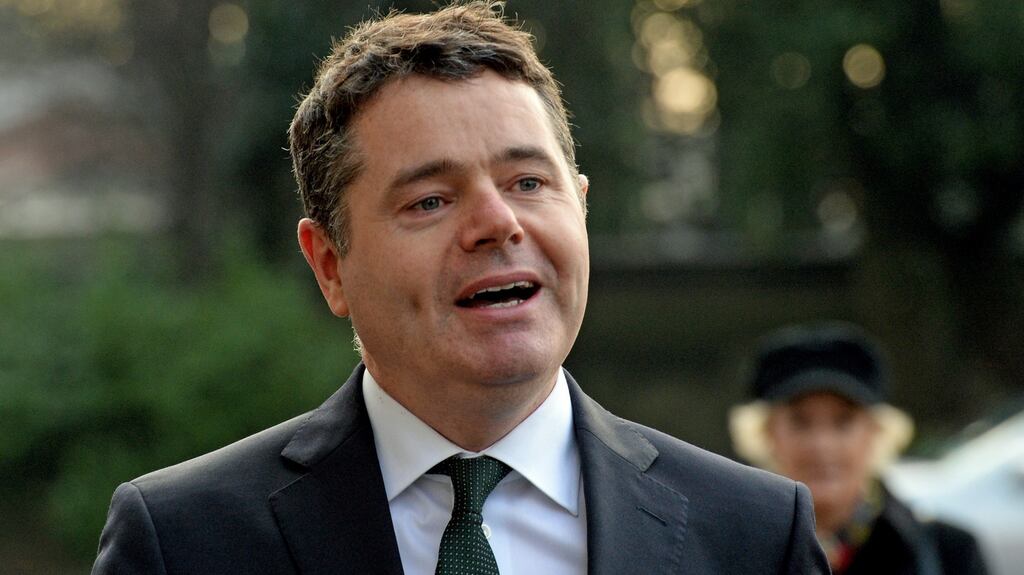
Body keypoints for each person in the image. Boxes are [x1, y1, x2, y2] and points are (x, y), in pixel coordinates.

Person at [93, 3, 828, 573]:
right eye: (431, 201)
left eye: (528, 182)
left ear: (581, 207)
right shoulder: (182, 542)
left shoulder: (756, 534)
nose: (497, 222)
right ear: (329, 265)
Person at [730, 322, 990, 575]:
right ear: (766, 434)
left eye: (843, 421)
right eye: (800, 421)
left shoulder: (947, 552)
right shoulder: (727, 548)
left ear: (876, 432)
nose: (822, 444)